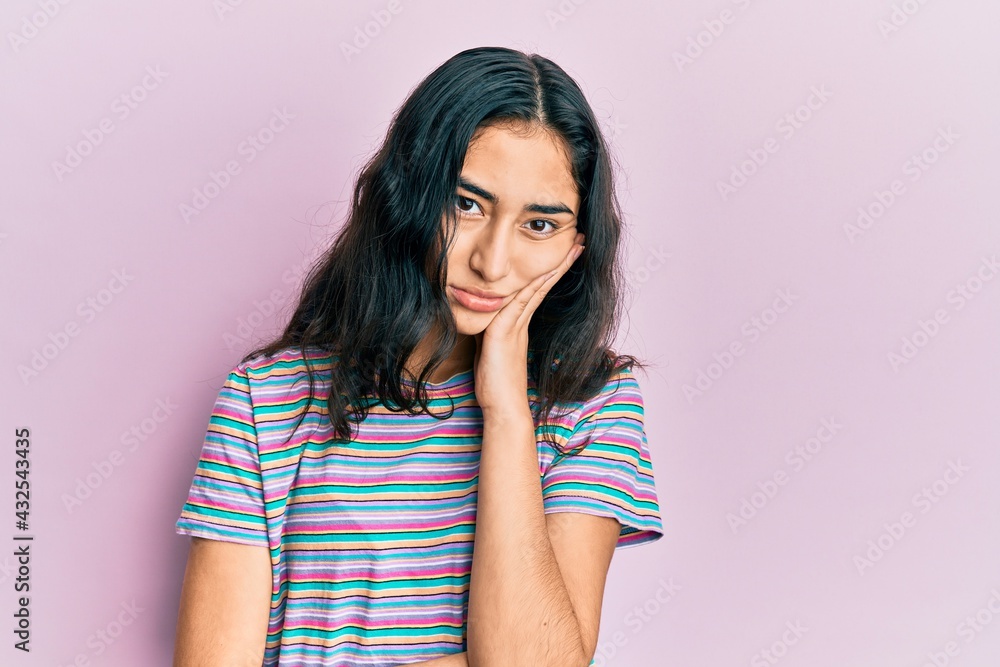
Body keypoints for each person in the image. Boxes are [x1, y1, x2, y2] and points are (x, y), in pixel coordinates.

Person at [172, 46, 664, 667]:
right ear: (408, 195)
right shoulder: (267, 399)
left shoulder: (593, 403)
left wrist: (507, 413)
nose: (492, 262)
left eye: (539, 224)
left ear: (578, 242)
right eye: (466, 204)